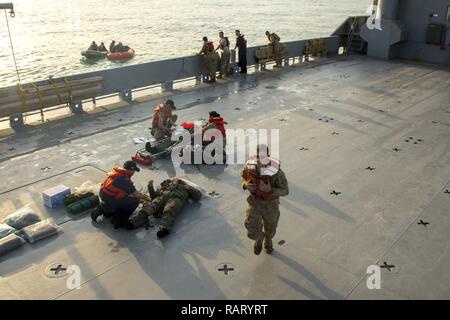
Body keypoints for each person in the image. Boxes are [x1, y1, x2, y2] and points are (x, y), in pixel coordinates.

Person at [241, 144, 289, 255]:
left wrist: (270, 190)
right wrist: (245, 184)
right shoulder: (250, 166)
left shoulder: (276, 172)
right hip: (254, 202)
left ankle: (268, 239)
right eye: (258, 156)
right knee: (251, 229)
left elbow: (286, 190)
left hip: (270, 204)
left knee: (271, 229)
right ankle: (259, 238)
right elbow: (243, 175)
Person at [129, 178, 202, 238]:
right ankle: (133, 223)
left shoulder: (185, 187)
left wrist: (187, 187)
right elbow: (154, 197)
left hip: (176, 198)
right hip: (162, 197)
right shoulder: (164, 187)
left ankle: (164, 229)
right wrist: (150, 187)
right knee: (149, 207)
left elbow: (198, 196)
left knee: (169, 210)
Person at [92, 161, 151, 229]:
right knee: (135, 201)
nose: (134, 172)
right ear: (131, 170)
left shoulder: (117, 174)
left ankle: (101, 210)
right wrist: (148, 199)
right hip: (110, 202)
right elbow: (136, 194)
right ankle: (120, 220)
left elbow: (121, 191)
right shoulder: (124, 180)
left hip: (103, 198)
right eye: (134, 170)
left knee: (121, 199)